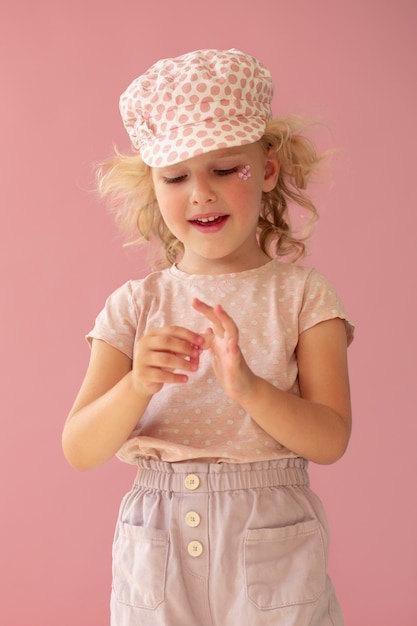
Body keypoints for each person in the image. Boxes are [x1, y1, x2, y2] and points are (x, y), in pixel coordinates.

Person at [62, 48, 354, 626]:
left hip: (270, 536)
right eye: (176, 176)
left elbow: (331, 439)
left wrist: (248, 388)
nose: (201, 193)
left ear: (267, 169)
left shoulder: (304, 296)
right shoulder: (133, 306)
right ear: (153, 182)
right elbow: (79, 448)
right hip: (160, 542)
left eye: (226, 169)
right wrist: (137, 386)